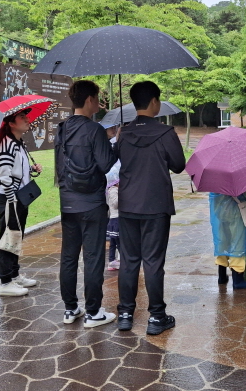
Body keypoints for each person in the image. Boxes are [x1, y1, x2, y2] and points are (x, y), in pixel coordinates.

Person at [115, 81, 186, 335]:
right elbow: (179, 165)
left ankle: (125, 314)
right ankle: (156, 316)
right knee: (154, 261)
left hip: (128, 204)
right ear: (154, 102)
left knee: (129, 260)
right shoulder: (166, 133)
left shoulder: (123, 132)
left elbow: (121, 158)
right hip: (156, 204)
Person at [55, 80, 118, 327]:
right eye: (98, 98)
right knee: (93, 257)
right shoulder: (94, 130)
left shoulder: (61, 128)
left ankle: (71, 309)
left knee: (68, 256)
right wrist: (115, 145)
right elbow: (105, 164)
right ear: (90, 99)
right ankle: (93, 312)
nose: (99, 103)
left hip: (67, 201)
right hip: (91, 202)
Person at [0, 108, 43, 297]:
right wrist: (12, 200)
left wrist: (31, 169)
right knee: (8, 237)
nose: (27, 119)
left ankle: (14, 275)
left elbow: (16, 171)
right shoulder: (6, 144)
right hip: (10, 197)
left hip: (19, 196)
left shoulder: (19, 143)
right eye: (22, 117)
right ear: (11, 123)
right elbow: (4, 175)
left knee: (17, 235)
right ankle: (5, 281)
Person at [211, 187, 246, 289]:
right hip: (235, 213)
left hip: (219, 213)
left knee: (222, 242)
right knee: (238, 244)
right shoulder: (239, 177)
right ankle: (237, 280)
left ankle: (222, 276)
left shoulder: (215, 176)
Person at [103, 123, 121, 271]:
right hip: (116, 219)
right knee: (117, 241)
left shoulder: (112, 189)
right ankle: (116, 260)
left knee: (114, 242)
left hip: (115, 219)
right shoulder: (113, 191)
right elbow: (115, 203)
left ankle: (113, 260)